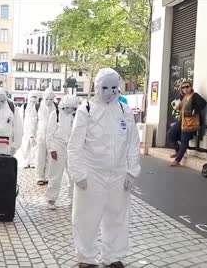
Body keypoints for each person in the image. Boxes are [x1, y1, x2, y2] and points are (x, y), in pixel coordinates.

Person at [67, 68, 141, 268]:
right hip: (92, 173)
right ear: (97, 87)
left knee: (117, 217)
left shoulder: (124, 111)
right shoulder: (87, 110)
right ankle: (86, 258)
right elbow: (75, 145)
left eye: (114, 87)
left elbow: (133, 143)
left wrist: (132, 171)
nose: (109, 92)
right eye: (105, 88)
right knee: (86, 218)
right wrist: (78, 173)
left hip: (118, 174)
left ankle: (113, 256)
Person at [45, 95, 79, 210]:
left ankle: (74, 198)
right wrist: (52, 149)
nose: (69, 110)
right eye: (67, 107)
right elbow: (49, 133)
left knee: (73, 174)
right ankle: (51, 199)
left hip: (72, 147)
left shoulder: (77, 115)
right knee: (55, 174)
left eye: (72, 108)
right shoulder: (56, 114)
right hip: (58, 146)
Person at [169, 81, 207, 166]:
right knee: (170, 134)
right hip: (182, 120)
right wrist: (178, 107)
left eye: (187, 87)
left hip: (190, 122)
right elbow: (182, 108)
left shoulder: (195, 95)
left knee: (184, 140)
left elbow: (203, 103)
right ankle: (178, 151)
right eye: (183, 87)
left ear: (191, 87)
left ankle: (177, 160)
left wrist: (195, 111)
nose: (185, 89)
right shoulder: (183, 97)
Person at [35, 88, 58, 185]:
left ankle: (48, 176)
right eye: (47, 99)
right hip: (41, 135)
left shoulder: (56, 108)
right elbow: (33, 121)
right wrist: (31, 135)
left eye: (51, 99)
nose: (48, 101)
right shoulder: (38, 107)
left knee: (50, 156)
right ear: (43, 98)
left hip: (52, 135)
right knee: (40, 156)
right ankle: (39, 176)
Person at [21, 91, 39, 168]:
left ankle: (33, 162)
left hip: (35, 130)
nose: (32, 103)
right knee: (25, 146)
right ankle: (26, 161)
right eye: (31, 101)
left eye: (34, 101)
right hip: (26, 130)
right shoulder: (24, 107)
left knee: (34, 146)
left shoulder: (38, 108)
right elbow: (21, 118)